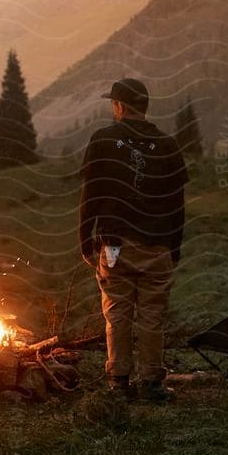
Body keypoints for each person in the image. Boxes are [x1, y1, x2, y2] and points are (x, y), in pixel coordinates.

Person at [79, 78, 189, 403]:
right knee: (153, 314)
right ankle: (152, 384)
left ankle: (119, 384)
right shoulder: (168, 144)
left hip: (114, 246)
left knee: (117, 312)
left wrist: (86, 241)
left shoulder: (102, 140)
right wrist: (175, 248)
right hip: (158, 245)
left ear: (120, 106)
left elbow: (91, 196)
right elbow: (177, 203)